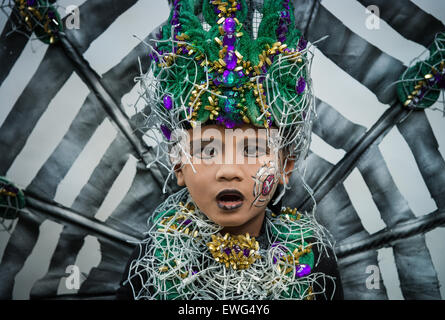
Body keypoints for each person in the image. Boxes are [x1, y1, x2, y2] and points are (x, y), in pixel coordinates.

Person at [116, 0, 343, 300]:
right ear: (178, 163)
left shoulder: (310, 261)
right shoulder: (154, 263)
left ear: (285, 163)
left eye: (252, 149)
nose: (228, 171)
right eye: (208, 151)